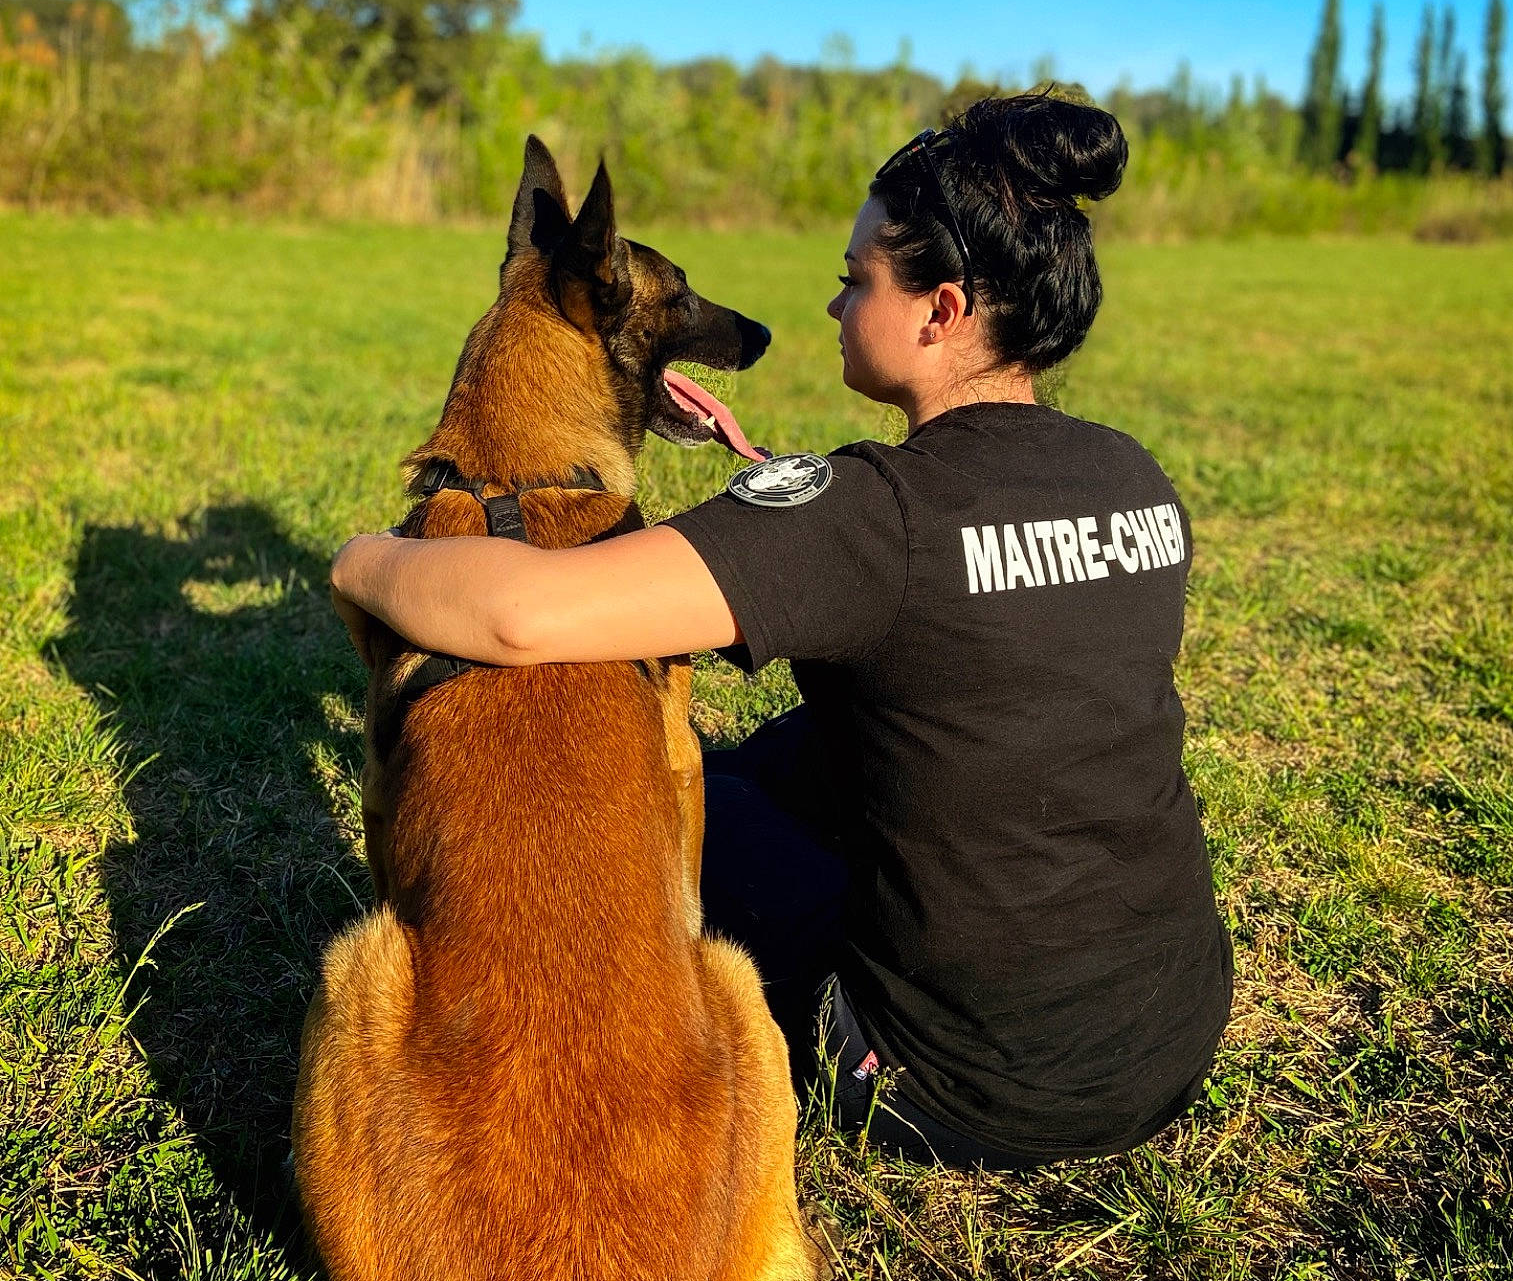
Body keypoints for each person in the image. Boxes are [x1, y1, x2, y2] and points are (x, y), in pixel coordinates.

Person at [331, 90, 1233, 1174]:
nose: (832, 304)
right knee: (798, 759)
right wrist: (791, 515)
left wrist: (362, 559)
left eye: (856, 279)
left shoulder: (865, 515)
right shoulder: (1130, 474)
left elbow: (520, 612)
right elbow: (974, 620)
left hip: (950, 1083)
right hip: (1169, 1031)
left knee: (680, 803)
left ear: (940, 309)